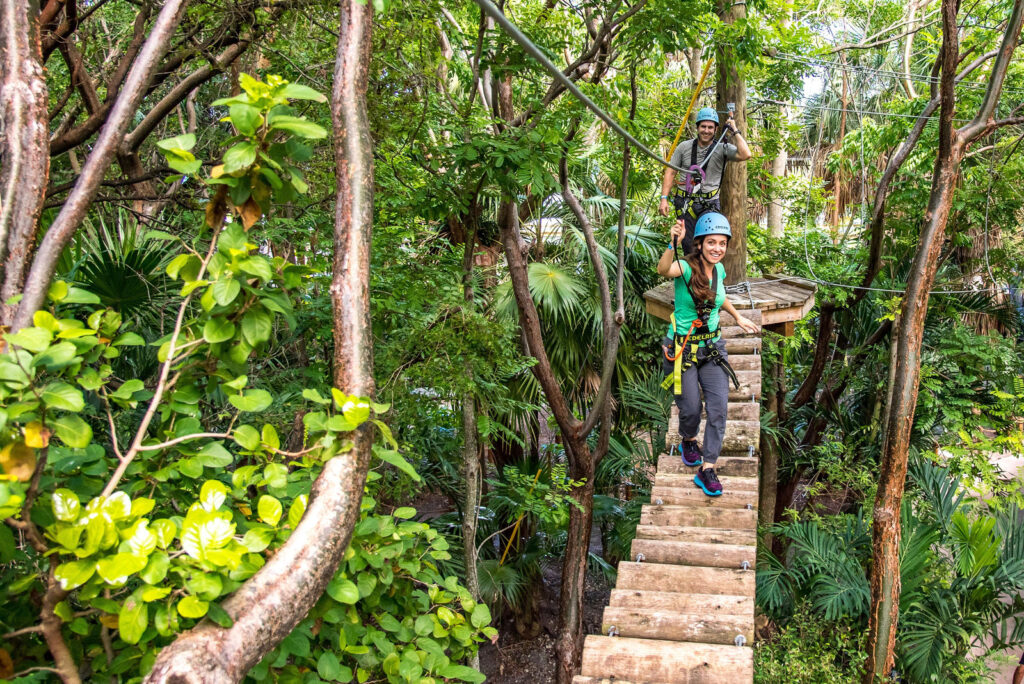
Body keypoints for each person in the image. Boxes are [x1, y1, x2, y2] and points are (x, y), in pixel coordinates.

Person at [657, 212, 759, 496]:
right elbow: (664, 270)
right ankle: (689, 438)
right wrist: (671, 242)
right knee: (690, 408)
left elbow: (720, 295)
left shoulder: (720, 270)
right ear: (699, 244)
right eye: (711, 242)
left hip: (713, 348)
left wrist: (737, 317)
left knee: (718, 410)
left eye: (722, 243)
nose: (717, 248)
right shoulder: (686, 268)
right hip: (683, 349)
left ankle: (708, 468)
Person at [658, 107, 751, 254]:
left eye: (710, 127)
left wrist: (734, 129)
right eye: (703, 126)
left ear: (715, 130)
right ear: (697, 127)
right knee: (689, 247)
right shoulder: (684, 147)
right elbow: (671, 171)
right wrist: (663, 198)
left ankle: (707, 277)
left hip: (709, 204)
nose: (706, 131)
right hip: (685, 203)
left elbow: (745, 154)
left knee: (709, 245)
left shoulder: (722, 148)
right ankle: (692, 277)